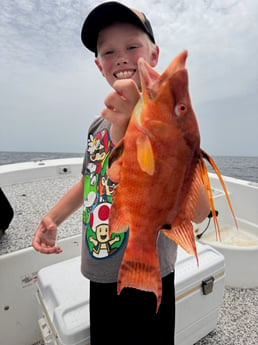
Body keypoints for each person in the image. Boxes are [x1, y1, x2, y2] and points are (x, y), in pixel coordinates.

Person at [32, 2, 210, 345]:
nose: (121, 57)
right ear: (100, 66)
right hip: (100, 269)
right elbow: (91, 179)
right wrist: (53, 217)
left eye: (132, 46)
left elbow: (199, 210)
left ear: (154, 55)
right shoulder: (98, 126)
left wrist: (144, 130)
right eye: (109, 51)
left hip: (151, 270)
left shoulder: (169, 121)